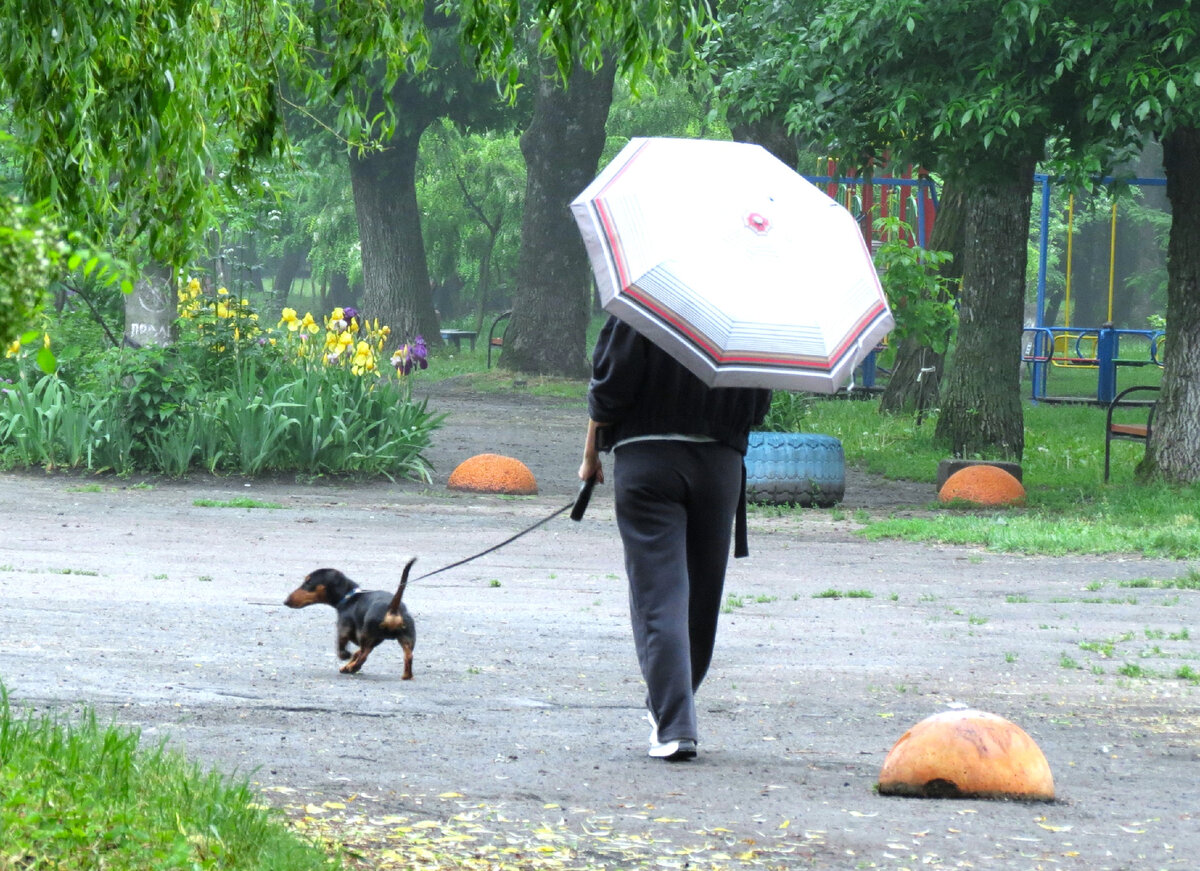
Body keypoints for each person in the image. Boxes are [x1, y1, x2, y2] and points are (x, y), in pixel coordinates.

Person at [579, 315, 772, 761]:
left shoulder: (643, 305)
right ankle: (671, 707)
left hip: (647, 459)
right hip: (719, 465)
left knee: (660, 593)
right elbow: (758, 405)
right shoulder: (746, 315)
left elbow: (607, 392)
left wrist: (590, 455)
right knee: (701, 598)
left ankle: (674, 722)